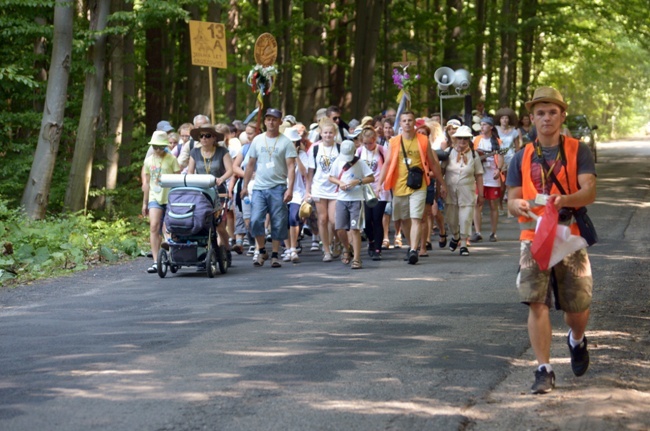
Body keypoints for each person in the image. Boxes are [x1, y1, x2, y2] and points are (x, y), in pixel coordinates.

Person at [507, 86, 596, 394]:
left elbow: (590, 191)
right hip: (533, 236)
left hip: (568, 234)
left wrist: (565, 199)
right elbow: (511, 199)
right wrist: (517, 205)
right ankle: (543, 369)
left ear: (562, 115)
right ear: (531, 118)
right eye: (540, 113)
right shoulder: (520, 156)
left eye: (552, 112)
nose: (546, 118)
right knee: (536, 301)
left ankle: (576, 339)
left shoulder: (577, 149)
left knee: (577, 308)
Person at [378, 111, 446, 265]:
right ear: (400, 124)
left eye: (410, 120)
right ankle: (411, 246)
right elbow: (387, 163)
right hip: (399, 185)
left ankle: (414, 249)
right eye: (404, 121)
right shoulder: (394, 142)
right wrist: (379, 184)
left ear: (414, 123)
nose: (407, 123)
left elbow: (433, 163)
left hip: (419, 184)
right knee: (403, 219)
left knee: (416, 217)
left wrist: (442, 183)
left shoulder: (422, 140)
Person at [241, 108, 297, 268]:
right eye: (268, 119)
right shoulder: (257, 140)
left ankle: (274, 254)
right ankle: (261, 250)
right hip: (259, 187)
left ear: (280, 122)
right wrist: (245, 186)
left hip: (278, 187)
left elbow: (291, 167)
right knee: (255, 220)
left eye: (274, 119)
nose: (271, 122)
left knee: (278, 222)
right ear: (264, 121)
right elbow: (250, 164)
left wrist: (290, 189)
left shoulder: (285, 142)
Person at [186, 124, 234, 266]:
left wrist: (222, 179)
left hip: (219, 191)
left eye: (207, 136)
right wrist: (191, 182)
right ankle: (204, 253)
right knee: (202, 224)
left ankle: (226, 250)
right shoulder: (194, 152)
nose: (204, 139)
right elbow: (190, 172)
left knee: (219, 225)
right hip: (201, 192)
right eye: (201, 136)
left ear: (214, 138)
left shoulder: (222, 151)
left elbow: (230, 170)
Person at [329, 140, 375, 269]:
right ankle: (347, 248)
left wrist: (358, 181)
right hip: (342, 198)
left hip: (356, 199)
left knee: (355, 229)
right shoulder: (338, 161)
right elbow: (331, 177)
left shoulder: (360, 163)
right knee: (339, 228)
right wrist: (340, 183)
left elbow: (371, 177)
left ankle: (357, 258)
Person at [142, 131, 181, 274]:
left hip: (170, 197)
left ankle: (172, 254)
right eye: (155, 146)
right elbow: (146, 183)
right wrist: (145, 203)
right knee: (154, 226)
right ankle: (155, 260)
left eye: (161, 147)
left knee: (169, 227)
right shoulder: (148, 161)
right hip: (155, 196)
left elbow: (178, 180)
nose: (158, 150)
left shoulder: (171, 159)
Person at [306, 119, 342, 262]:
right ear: (321, 134)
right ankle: (326, 250)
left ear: (335, 134)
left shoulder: (339, 148)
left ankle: (337, 241)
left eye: (330, 133)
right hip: (319, 187)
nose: (328, 135)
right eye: (325, 132)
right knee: (322, 219)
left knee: (333, 220)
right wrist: (307, 191)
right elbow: (310, 171)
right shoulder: (315, 149)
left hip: (335, 188)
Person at [444, 126, 484, 256]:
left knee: (465, 218)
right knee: (451, 219)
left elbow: (478, 175)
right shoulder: (448, 152)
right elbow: (440, 171)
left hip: (467, 191)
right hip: (450, 191)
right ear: (455, 139)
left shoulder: (473, 154)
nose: (462, 141)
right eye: (460, 138)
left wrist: (481, 194)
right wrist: (441, 187)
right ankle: (455, 236)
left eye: (466, 138)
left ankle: (463, 243)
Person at [356, 126, 389, 260]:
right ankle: (371, 241)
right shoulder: (359, 152)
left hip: (379, 189)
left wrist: (382, 184)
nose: (368, 146)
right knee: (367, 220)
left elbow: (388, 166)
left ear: (375, 140)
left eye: (370, 143)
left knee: (377, 218)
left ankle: (377, 248)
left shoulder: (381, 150)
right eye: (365, 143)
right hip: (364, 189)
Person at [471, 116, 503, 243]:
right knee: (477, 203)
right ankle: (477, 232)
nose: (482, 127)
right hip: (479, 175)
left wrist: (499, 169)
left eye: (485, 125)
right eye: (481, 124)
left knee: (493, 204)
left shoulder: (497, 142)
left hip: (492, 176)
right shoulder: (476, 140)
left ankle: (493, 233)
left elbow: (500, 156)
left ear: (491, 127)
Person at [282, 127, 309, 263]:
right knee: (283, 221)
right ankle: (287, 248)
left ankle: (293, 248)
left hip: (297, 192)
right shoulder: (279, 154)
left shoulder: (303, 155)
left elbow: (304, 172)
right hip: (281, 191)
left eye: (293, 142)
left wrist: (296, 155)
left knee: (293, 218)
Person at [495, 107, 522, 215]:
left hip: (511, 158)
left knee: (510, 184)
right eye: (502, 118)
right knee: (501, 186)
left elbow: (517, 147)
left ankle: (510, 207)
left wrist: (518, 160)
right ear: (499, 120)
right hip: (498, 158)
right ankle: (500, 204)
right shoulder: (495, 130)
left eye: (506, 118)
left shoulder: (514, 132)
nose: (504, 120)